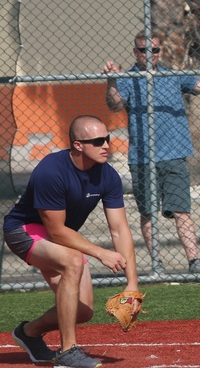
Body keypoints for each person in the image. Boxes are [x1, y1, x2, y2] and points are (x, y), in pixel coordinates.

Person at [3, 116, 141, 368]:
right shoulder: (51, 170)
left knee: (83, 311)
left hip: (59, 235)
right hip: (22, 231)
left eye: (107, 139)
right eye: (98, 141)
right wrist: (101, 253)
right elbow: (55, 231)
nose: (106, 145)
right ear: (78, 145)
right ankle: (67, 353)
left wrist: (132, 283)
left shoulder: (108, 175)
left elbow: (120, 230)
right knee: (73, 261)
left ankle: (29, 333)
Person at [104, 32, 200, 275]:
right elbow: (114, 104)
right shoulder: (128, 79)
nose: (150, 55)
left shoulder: (173, 76)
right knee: (148, 212)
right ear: (135, 52)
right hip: (143, 157)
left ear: (159, 52)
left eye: (154, 50)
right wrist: (112, 80)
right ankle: (157, 265)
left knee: (181, 210)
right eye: (144, 50)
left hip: (174, 155)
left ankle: (194, 262)